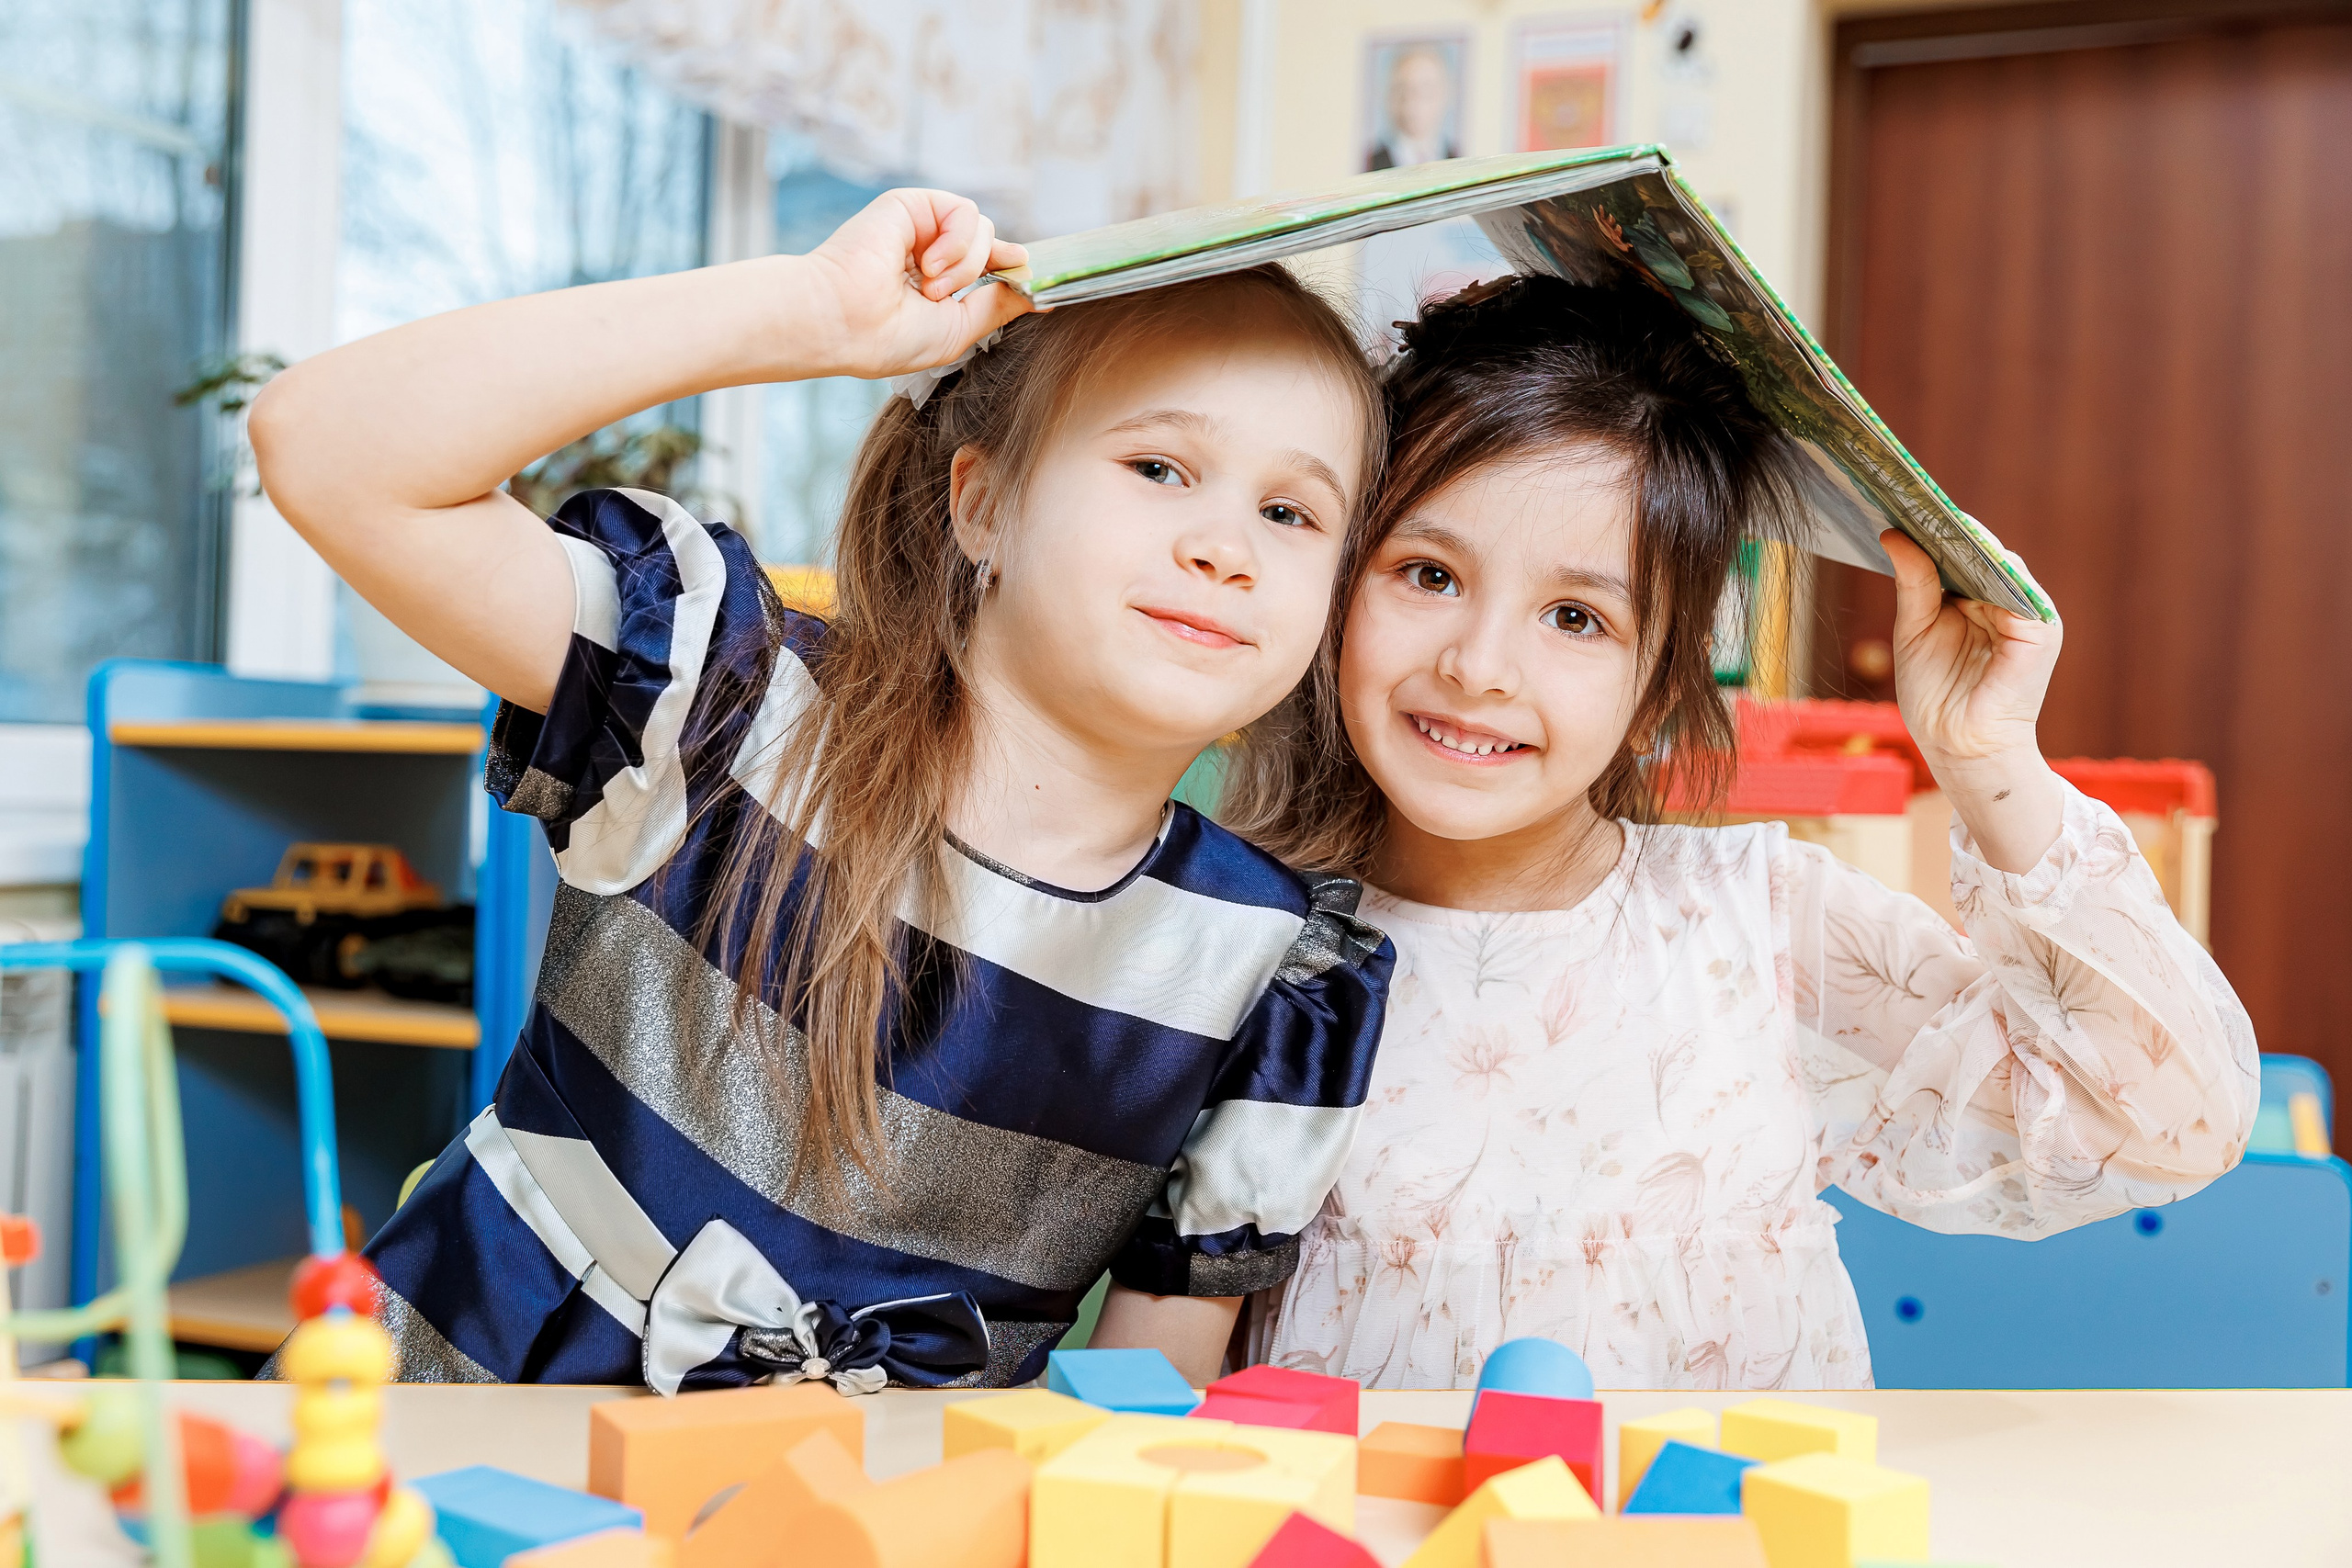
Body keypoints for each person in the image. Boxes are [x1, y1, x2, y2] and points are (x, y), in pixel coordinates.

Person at [248, 189, 1395, 1390]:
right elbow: (322, 446)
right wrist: (808, 311)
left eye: (1289, 511)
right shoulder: (723, 699)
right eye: (1159, 466)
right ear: (984, 505)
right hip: (418, 1451)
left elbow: (1138, 1425)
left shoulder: (1275, 969)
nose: (1227, 548)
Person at [1220, 274, 2257, 1390]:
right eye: (1428, 575)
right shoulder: (1239, 932)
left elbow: (2161, 1122)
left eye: (1576, 617)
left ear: (1660, 691)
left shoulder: (1754, 923)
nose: (1478, 667)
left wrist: (1986, 755)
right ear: (1336, 592)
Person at [1366, 44, 1460, 172]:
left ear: (1447, 93)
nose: (1412, 100)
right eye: (1401, 88)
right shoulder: (1369, 163)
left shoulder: (1458, 160)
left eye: (1426, 89)